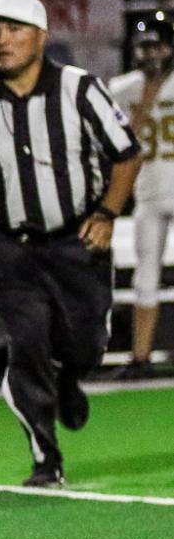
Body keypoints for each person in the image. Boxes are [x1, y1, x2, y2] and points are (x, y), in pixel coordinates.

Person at [0, 0, 141, 487]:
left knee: (89, 343)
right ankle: (45, 457)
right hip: (10, 245)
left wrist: (108, 213)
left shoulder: (79, 89)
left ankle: (70, 378)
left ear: (41, 37)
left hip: (76, 239)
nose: (0, 41)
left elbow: (126, 154)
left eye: (13, 29)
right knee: (28, 342)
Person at [108, 21, 173, 377]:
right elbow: (118, 143)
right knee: (144, 276)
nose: (152, 54)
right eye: (146, 48)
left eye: (158, 47)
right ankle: (140, 356)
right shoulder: (124, 89)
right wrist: (143, 106)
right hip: (148, 191)